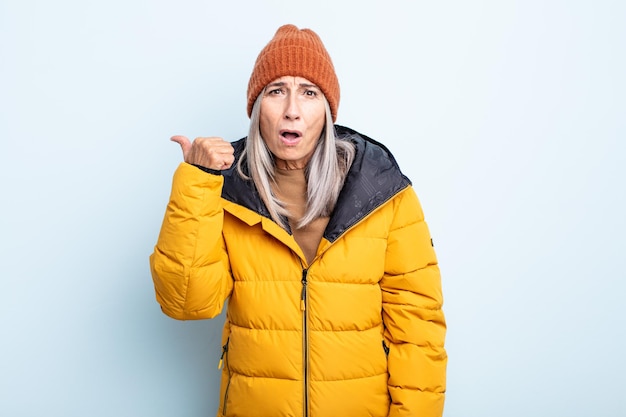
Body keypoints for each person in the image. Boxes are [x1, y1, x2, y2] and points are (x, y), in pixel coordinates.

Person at [150, 24, 447, 417]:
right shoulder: (226, 191)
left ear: (326, 108)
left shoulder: (383, 193)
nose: (292, 109)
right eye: (277, 91)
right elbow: (187, 303)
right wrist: (196, 183)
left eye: (309, 92)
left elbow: (418, 332)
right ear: (257, 109)